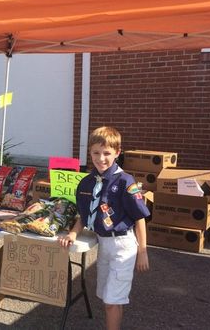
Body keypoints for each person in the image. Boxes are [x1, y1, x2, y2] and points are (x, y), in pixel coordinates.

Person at [58, 126, 150, 330]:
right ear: (89, 152)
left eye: (107, 153)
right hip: (103, 245)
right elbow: (84, 215)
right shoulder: (87, 182)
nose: (101, 158)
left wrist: (142, 250)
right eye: (96, 153)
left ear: (117, 152)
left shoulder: (125, 181)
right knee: (108, 296)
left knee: (111, 301)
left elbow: (139, 217)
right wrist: (73, 233)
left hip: (122, 245)